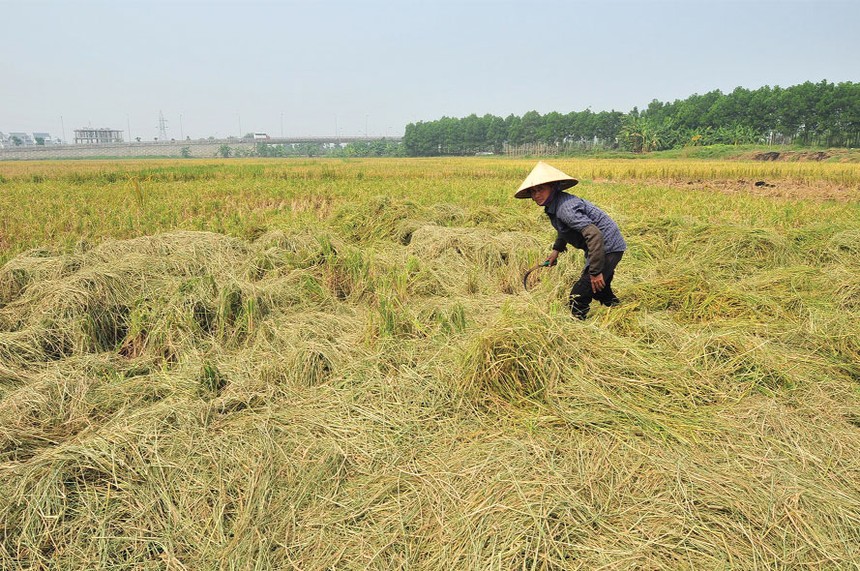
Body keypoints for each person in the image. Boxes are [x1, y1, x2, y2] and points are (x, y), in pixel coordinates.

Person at [515, 161, 627, 320]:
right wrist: (556, 251)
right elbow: (564, 230)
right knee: (600, 289)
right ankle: (619, 312)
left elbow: (594, 234)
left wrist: (594, 272)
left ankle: (579, 329)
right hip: (602, 245)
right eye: (532, 191)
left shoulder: (565, 208)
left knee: (579, 295)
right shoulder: (554, 205)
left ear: (553, 187)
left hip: (608, 246)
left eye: (540, 189)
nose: (536, 195)